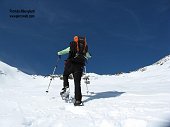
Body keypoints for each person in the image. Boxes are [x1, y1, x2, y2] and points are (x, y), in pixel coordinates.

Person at [57, 36, 91, 106]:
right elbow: (89, 56)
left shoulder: (72, 46)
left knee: (65, 75)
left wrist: (59, 53)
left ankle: (66, 87)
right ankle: (78, 100)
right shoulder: (84, 49)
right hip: (79, 67)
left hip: (70, 64)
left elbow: (62, 52)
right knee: (77, 83)